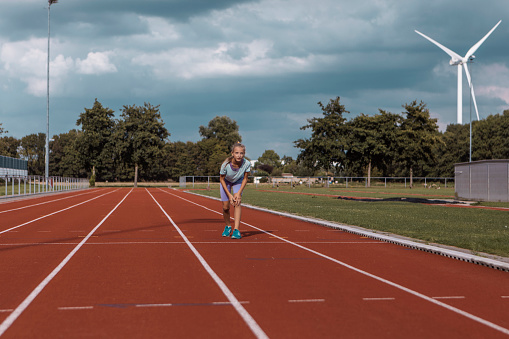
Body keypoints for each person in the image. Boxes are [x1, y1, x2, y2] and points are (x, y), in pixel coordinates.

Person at [219, 142, 251, 239]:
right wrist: (229, 195)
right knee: (225, 207)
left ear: (244, 154)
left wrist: (239, 193)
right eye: (237, 153)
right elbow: (221, 179)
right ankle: (228, 226)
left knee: (237, 202)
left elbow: (245, 178)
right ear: (232, 153)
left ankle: (236, 230)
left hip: (238, 182)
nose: (239, 155)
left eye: (241, 153)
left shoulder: (247, 164)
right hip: (226, 182)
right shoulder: (225, 165)